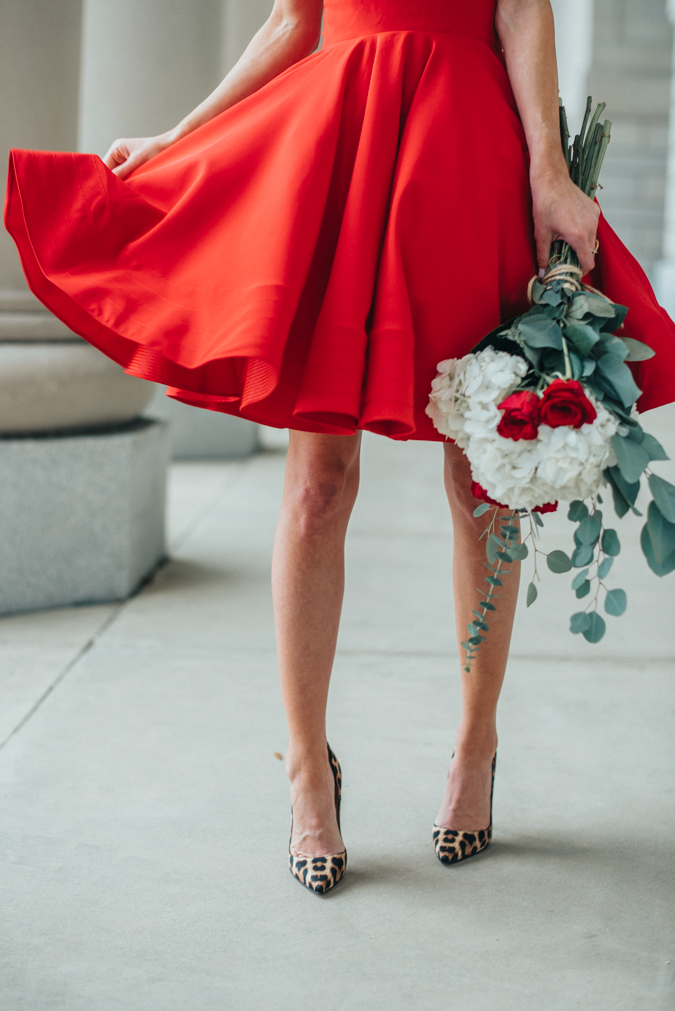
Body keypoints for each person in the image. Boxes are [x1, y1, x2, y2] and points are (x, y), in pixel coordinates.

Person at [6, 0, 675, 895]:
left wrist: (547, 172)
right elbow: (291, 22)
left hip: (465, 142)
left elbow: (519, 6)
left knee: (486, 470)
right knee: (317, 485)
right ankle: (306, 773)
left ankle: (476, 747)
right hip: (342, 144)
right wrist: (179, 134)